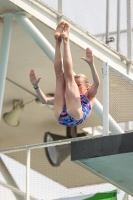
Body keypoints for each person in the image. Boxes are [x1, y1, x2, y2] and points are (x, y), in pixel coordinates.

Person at [29, 21, 100, 126]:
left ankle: (64, 40)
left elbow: (97, 82)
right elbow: (45, 100)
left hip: (67, 116)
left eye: (78, 85)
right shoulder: (69, 97)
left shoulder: (90, 95)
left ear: (87, 86)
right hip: (64, 116)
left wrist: (35, 86)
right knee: (61, 77)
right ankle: (58, 40)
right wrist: (36, 87)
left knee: (65, 76)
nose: (75, 88)